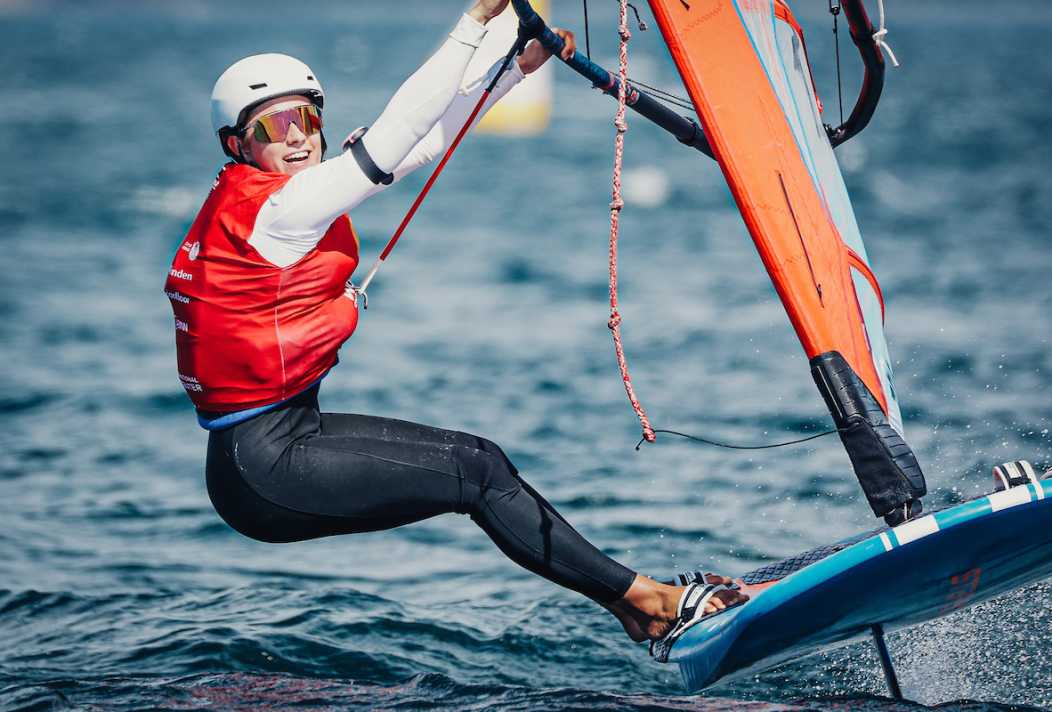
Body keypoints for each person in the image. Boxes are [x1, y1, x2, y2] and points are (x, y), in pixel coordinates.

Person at [164, 0, 746, 662]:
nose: (298, 135)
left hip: (281, 442)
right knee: (477, 471)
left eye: (308, 118)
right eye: (275, 124)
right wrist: (473, 25)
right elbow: (388, 143)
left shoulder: (280, 198)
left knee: (479, 460)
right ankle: (650, 602)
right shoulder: (276, 212)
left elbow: (413, 148)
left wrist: (510, 75)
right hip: (264, 469)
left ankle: (638, 608)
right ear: (239, 145)